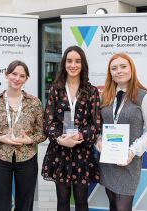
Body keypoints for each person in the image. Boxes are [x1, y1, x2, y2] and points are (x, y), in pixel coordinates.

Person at [0, 60, 45, 211]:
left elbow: (42, 132)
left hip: (27, 157)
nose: (17, 78)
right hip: (1, 158)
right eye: (14, 74)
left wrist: (30, 139)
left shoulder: (34, 103)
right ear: (6, 75)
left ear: (26, 79)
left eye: (22, 76)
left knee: (25, 203)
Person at [41, 46, 101, 211]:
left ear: (83, 64)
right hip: (60, 152)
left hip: (82, 152)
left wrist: (78, 136)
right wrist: (61, 139)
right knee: (62, 201)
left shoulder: (91, 91)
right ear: (64, 64)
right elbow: (48, 122)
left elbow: (95, 124)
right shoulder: (56, 89)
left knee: (81, 201)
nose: (73, 65)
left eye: (77, 61)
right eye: (69, 61)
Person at [96, 53, 147, 211]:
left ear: (131, 69)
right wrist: (99, 140)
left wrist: (132, 151)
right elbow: (99, 126)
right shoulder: (105, 97)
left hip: (129, 162)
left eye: (123, 66)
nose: (119, 71)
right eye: (114, 68)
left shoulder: (145, 97)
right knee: (112, 204)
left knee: (123, 208)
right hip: (108, 161)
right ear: (110, 73)